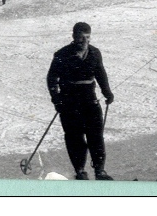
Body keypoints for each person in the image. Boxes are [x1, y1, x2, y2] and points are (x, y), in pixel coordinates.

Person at [47, 22, 114, 181]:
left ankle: (100, 171)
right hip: (69, 102)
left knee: (96, 136)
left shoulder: (95, 53)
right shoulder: (62, 54)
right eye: (80, 37)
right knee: (74, 137)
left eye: (87, 37)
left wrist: (107, 92)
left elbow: (100, 73)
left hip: (90, 100)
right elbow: (52, 78)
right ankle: (80, 171)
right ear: (73, 36)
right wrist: (56, 99)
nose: (84, 40)